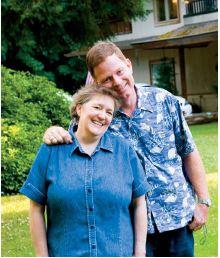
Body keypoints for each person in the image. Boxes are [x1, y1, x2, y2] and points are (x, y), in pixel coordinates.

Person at [43, 41, 211, 257]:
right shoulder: (98, 117)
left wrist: (203, 201)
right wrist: (52, 132)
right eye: (107, 79)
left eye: (119, 72)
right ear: (97, 83)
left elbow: (188, 151)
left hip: (178, 218)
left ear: (128, 65)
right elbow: (72, 145)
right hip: (129, 227)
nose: (117, 82)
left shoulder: (164, 100)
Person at [20, 84, 149, 257]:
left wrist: (140, 253)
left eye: (109, 112)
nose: (102, 116)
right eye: (97, 107)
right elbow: (36, 207)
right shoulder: (51, 150)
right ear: (79, 109)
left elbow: (140, 203)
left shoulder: (124, 151)